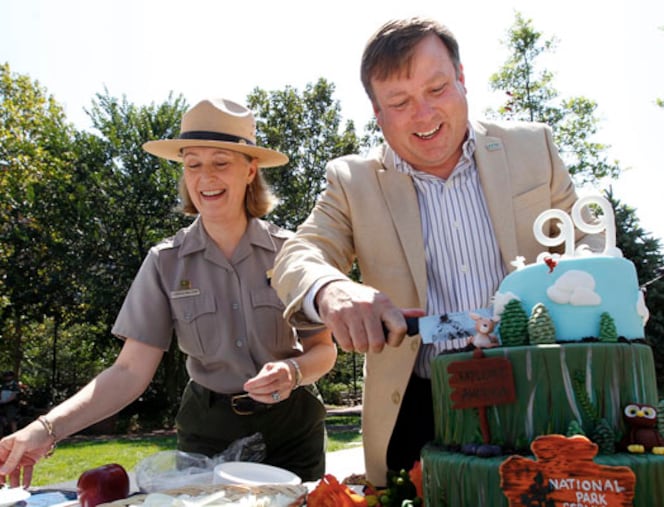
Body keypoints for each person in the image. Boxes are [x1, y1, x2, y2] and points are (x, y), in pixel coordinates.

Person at [271, 17, 603, 486]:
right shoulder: (351, 181)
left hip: (543, 387)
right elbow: (298, 254)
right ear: (376, 111)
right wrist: (331, 290)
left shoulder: (534, 149)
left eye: (437, 89)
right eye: (400, 102)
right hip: (419, 406)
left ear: (463, 79)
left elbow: (590, 240)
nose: (424, 115)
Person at [0, 98, 337, 488]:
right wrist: (45, 428)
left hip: (291, 431)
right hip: (207, 437)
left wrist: (294, 371)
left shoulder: (290, 252)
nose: (205, 177)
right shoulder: (165, 262)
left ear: (250, 170)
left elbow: (324, 349)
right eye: (193, 163)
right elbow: (128, 372)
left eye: (220, 162)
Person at [0, 371, 20, 435]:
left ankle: (14, 434)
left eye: (8, 376)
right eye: (6, 376)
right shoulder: (3, 385)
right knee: (2, 419)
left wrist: (5, 401)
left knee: (12, 420)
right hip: (3, 405)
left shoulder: (15, 385)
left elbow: (13, 396)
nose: (7, 378)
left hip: (12, 405)